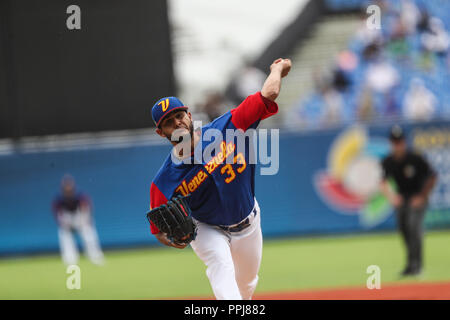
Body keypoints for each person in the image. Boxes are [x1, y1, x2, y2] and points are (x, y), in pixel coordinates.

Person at [148, 58, 292, 300]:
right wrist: (174, 240)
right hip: (207, 228)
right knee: (221, 267)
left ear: (189, 115)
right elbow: (158, 230)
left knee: (246, 285)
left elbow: (269, 93)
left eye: (179, 115)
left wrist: (277, 69)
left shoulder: (230, 126)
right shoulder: (163, 182)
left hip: (248, 222)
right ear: (161, 132)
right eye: (169, 123)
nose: (178, 123)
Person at [380, 125, 437, 277]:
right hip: (402, 199)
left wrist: (422, 196)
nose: (397, 146)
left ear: (404, 142)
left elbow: (432, 176)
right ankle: (410, 264)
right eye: (394, 142)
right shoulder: (388, 161)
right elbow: (383, 183)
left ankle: (417, 265)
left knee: (414, 227)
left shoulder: (415, 158)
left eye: (399, 142)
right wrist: (392, 197)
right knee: (403, 229)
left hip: (417, 197)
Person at [52, 175, 104, 266]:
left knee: (88, 234)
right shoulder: (59, 200)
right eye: (66, 187)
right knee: (64, 235)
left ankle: (95, 256)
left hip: (80, 220)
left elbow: (87, 211)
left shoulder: (80, 197)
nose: (68, 189)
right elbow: (58, 216)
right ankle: (70, 259)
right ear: (62, 189)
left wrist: (84, 221)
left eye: (70, 187)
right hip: (67, 222)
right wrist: (65, 223)